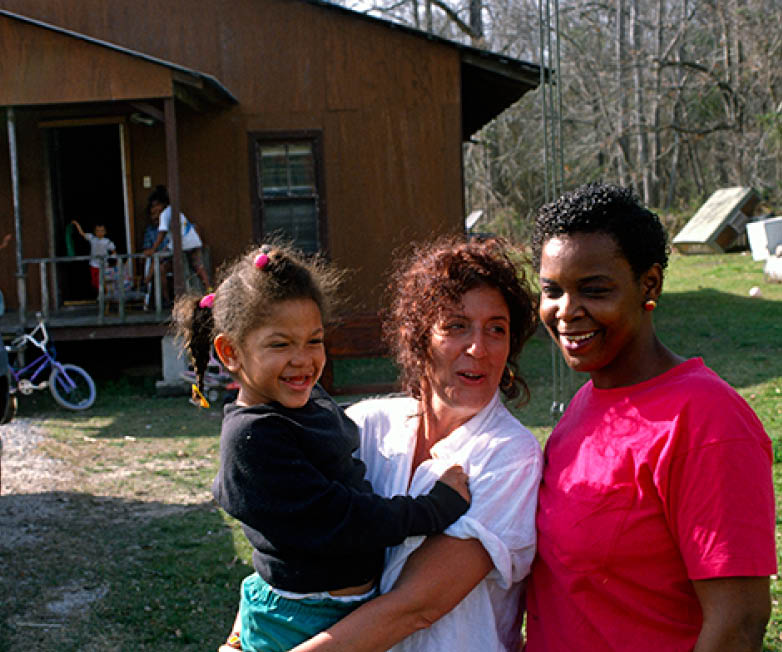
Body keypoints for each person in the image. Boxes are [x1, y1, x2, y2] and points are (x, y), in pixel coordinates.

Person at [172, 243, 472, 652]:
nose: (303, 359)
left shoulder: (306, 402)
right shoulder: (253, 439)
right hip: (295, 620)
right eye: (280, 345)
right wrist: (435, 507)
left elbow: (339, 432)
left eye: (314, 340)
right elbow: (344, 518)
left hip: (345, 608)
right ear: (231, 352)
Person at [524, 182, 776, 651]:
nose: (566, 311)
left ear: (650, 284)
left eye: (594, 290)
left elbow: (738, 623)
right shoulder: (586, 404)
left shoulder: (707, 419)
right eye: (552, 290)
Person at [289, 236, 543, 652]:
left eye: (496, 329)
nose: (478, 348)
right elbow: (284, 530)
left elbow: (415, 607)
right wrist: (243, 633)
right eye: (456, 326)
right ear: (419, 336)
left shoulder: (508, 455)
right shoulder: (366, 426)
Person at [143, 185, 210, 296]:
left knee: (157, 259)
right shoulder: (174, 211)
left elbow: (161, 234)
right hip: (193, 241)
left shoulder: (164, 215)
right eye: (153, 207)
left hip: (181, 244)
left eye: (157, 206)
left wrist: (153, 249)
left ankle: (146, 283)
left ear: (164, 204)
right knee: (198, 266)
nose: (155, 209)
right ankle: (209, 289)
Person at [70, 219, 116, 292]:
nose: (100, 232)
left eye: (102, 231)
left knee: (102, 281)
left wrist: (114, 263)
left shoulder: (107, 241)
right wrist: (76, 224)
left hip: (104, 265)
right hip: (93, 265)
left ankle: (103, 296)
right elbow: (82, 233)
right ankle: (101, 295)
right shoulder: (92, 238)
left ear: (105, 232)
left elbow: (114, 252)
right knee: (95, 283)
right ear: (95, 232)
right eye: (98, 230)